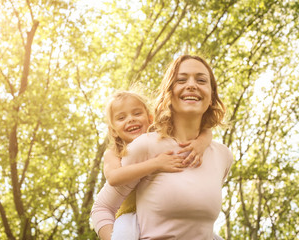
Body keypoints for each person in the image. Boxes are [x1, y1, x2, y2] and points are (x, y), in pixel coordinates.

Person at [91, 55, 233, 240]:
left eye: (201, 80)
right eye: (181, 80)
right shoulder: (145, 146)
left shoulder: (222, 156)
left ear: (212, 96)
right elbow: (102, 208)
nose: (191, 85)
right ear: (169, 92)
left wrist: (203, 141)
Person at [102, 91, 213, 239]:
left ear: (150, 118)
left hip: (164, 213)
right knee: (123, 234)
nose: (130, 120)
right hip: (132, 215)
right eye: (121, 118)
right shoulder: (114, 153)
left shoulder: (160, 139)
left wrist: (201, 143)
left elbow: (205, 129)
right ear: (113, 130)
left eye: (136, 113)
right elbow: (113, 177)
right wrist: (156, 164)